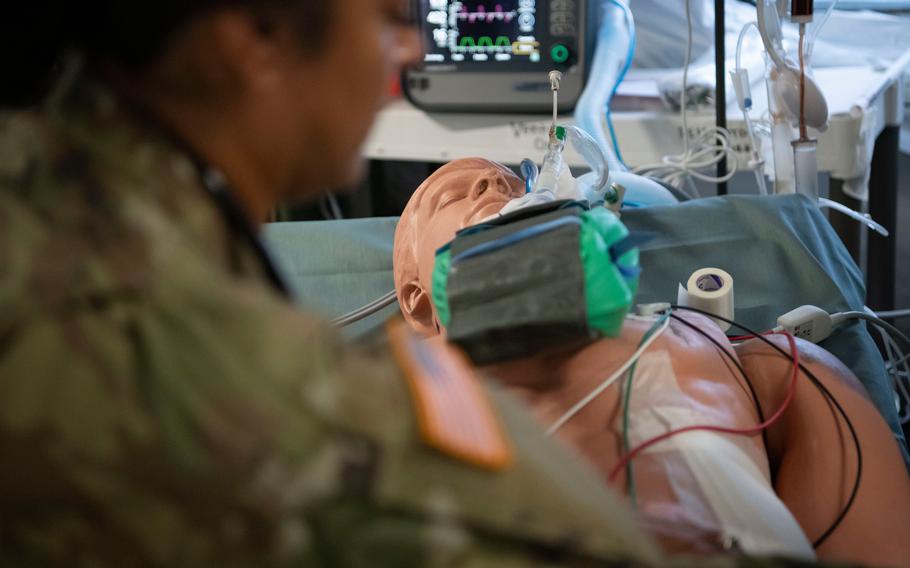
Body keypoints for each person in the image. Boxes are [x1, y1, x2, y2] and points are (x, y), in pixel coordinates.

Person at [0, 2, 686, 565]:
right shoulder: (283, 400)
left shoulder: (46, 184)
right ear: (257, 31)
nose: (411, 49)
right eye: (389, 18)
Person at [392, 157, 910, 566]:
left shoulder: (745, 356)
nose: (495, 190)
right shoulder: (389, 387)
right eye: (456, 195)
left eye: (509, 186)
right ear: (418, 301)